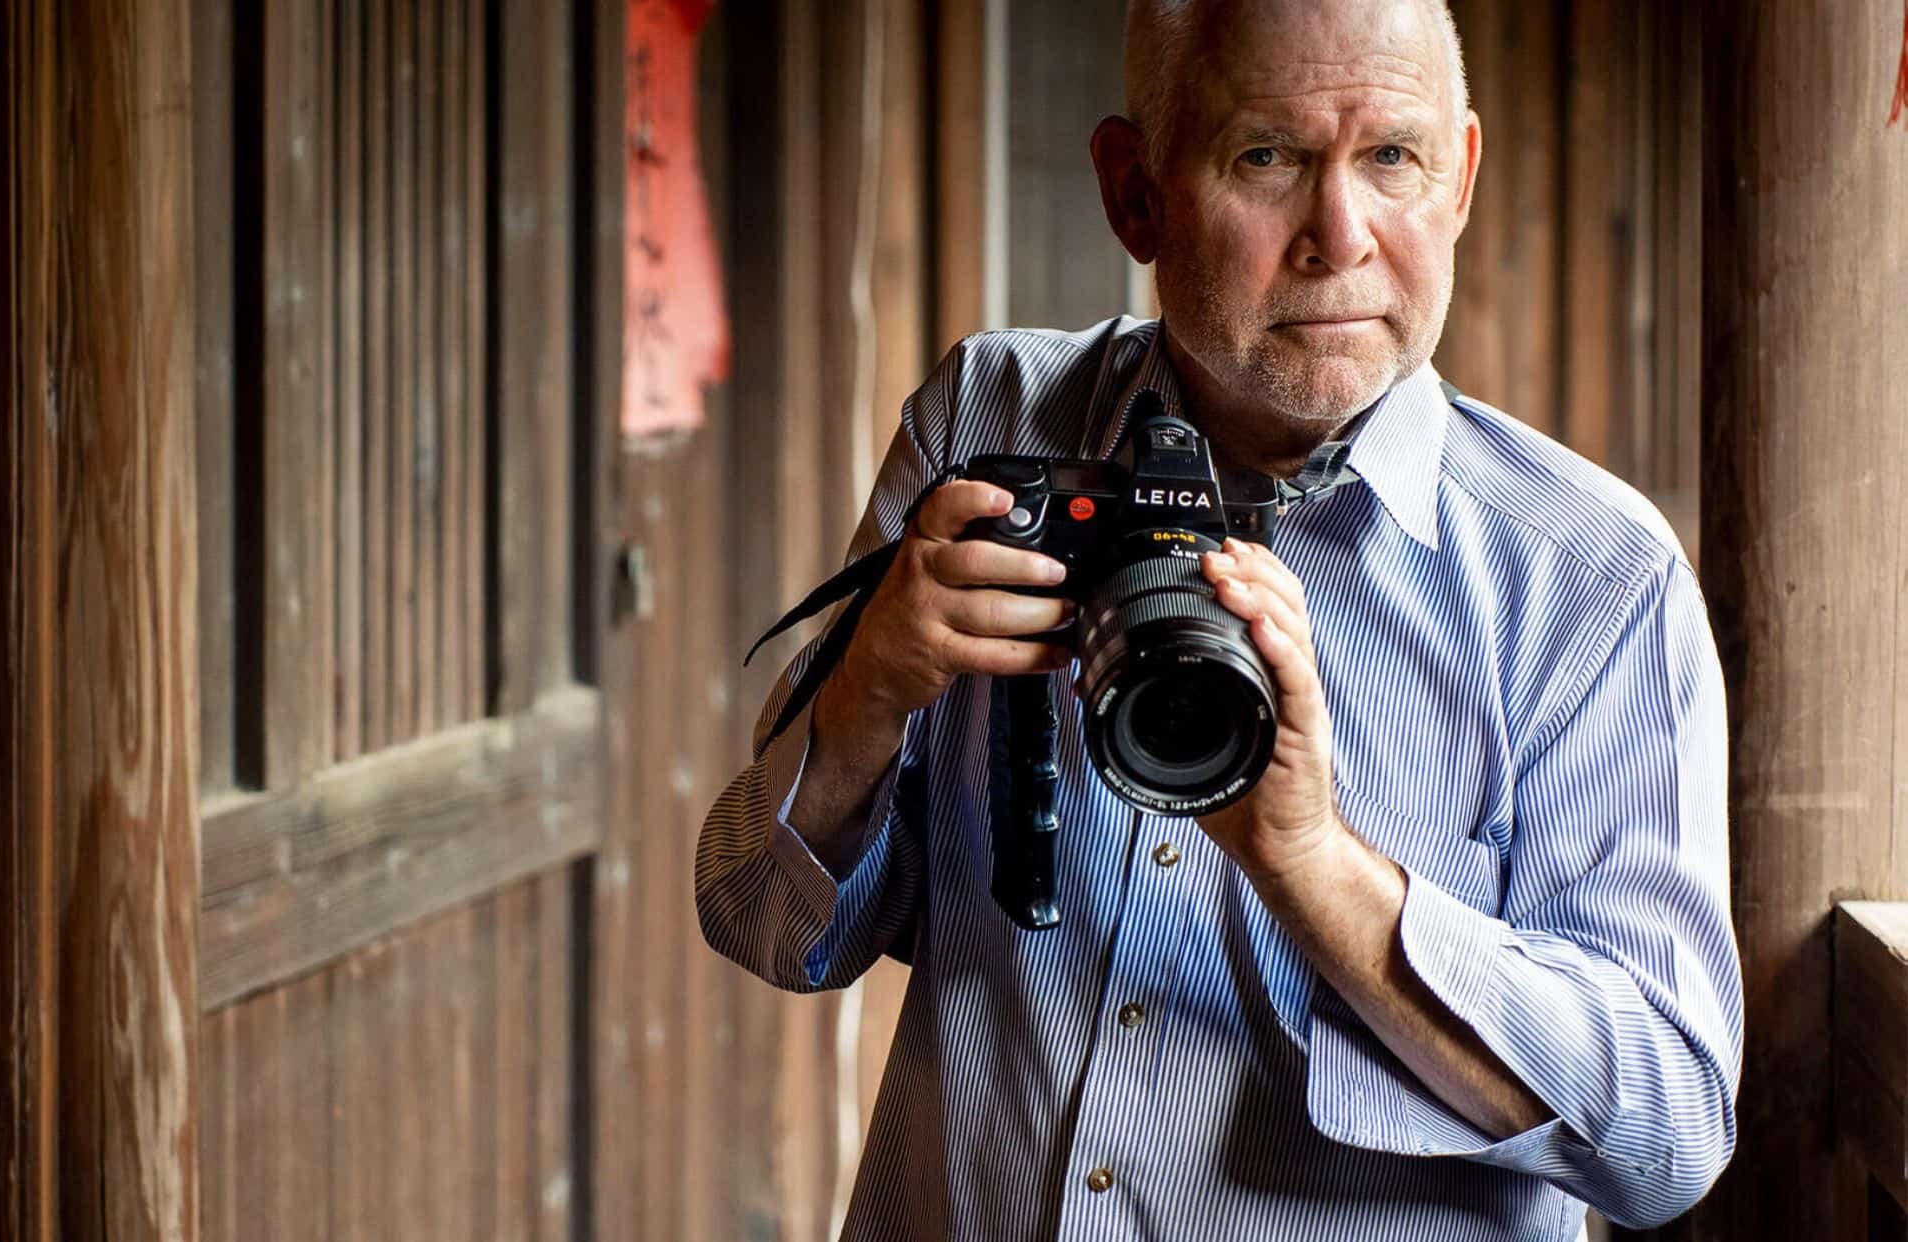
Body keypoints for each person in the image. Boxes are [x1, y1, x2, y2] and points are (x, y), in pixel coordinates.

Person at [694, 0, 1743, 1238]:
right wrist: (867, 690)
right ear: (1132, 192)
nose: (1338, 238)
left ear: (1458, 176)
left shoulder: (1590, 578)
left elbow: (1665, 1137)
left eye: (1389, 157)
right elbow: (760, 920)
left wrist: (1310, 863)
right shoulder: (993, 421)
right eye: (1266, 157)